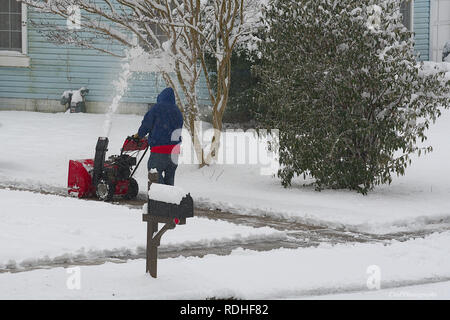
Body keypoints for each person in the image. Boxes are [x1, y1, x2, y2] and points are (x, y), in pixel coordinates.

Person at [133, 87, 183, 187]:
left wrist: (139, 135)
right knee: (170, 177)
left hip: (160, 149)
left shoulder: (157, 108)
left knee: (154, 174)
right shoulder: (178, 111)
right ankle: (169, 199)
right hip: (174, 152)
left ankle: (158, 199)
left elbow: (146, 125)